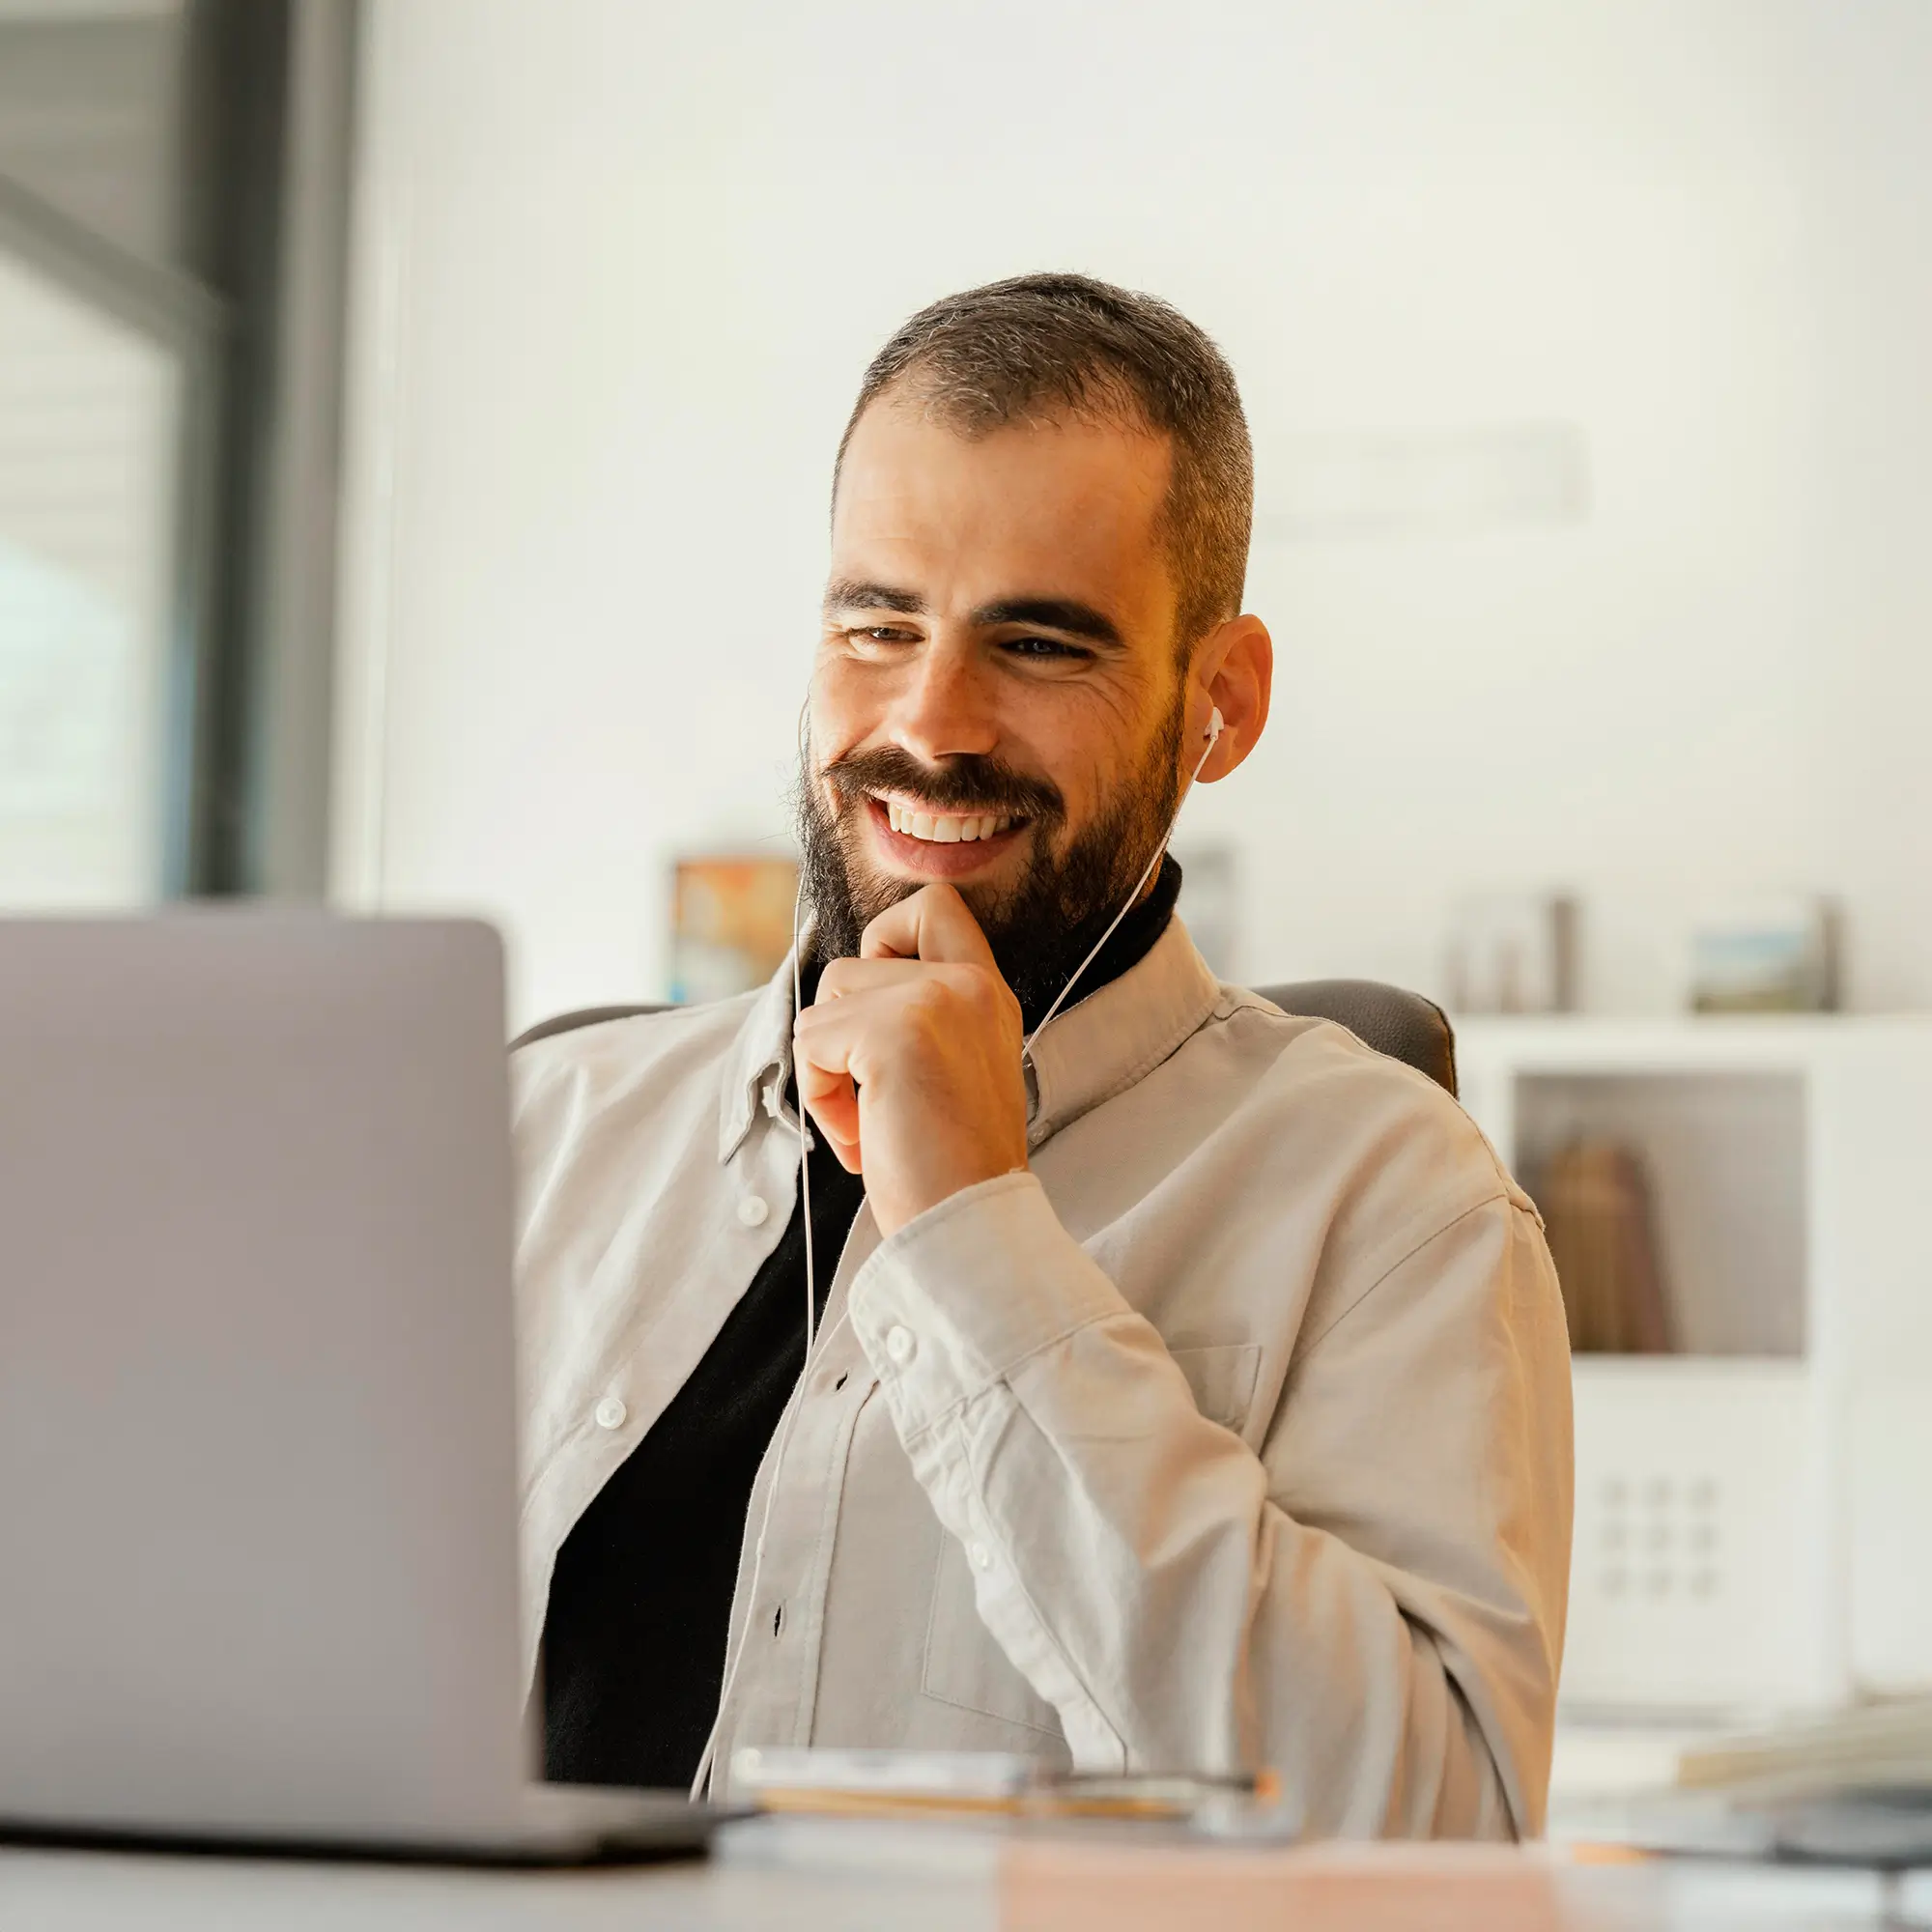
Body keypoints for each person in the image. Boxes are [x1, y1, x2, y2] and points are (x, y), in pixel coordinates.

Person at [513, 272, 1573, 1837]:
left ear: (1221, 702)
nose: (933, 725)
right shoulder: (535, 1134)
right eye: (879, 625)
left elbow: (1432, 1840)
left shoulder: (1399, 1203)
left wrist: (975, 1240)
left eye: (1039, 645)